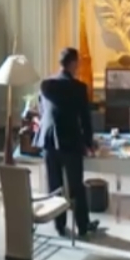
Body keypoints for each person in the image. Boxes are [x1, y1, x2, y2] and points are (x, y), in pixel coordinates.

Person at [34, 47, 100, 237]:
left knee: (54, 184)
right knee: (76, 186)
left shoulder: (46, 85)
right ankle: (83, 226)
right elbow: (85, 119)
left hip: (48, 140)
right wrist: (89, 144)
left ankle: (59, 225)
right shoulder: (78, 88)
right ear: (73, 63)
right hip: (70, 140)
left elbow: (43, 111)